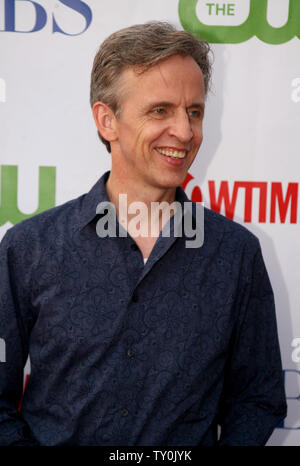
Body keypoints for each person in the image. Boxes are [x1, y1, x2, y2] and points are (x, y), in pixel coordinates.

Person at [0, 21, 286, 446]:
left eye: (194, 112)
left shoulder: (236, 254)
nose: (186, 133)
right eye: (160, 110)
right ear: (106, 120)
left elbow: (257, 399)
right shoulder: (29, 249)